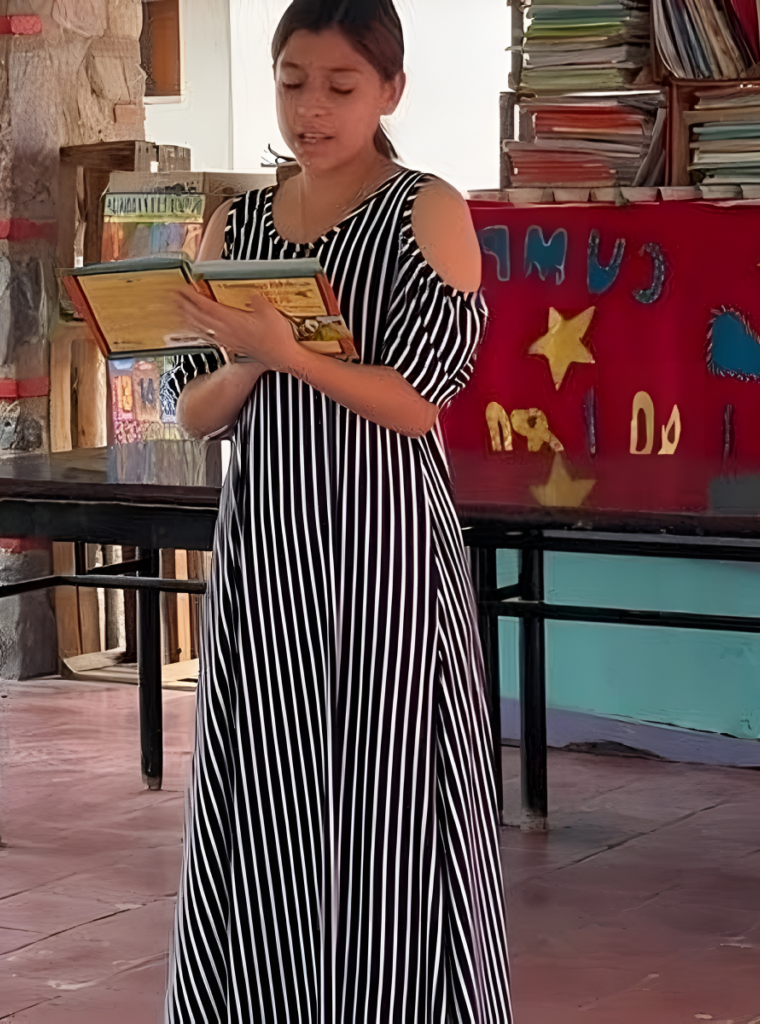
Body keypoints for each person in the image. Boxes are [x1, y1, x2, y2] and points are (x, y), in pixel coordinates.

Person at [166, 1, 511, 1020]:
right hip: (266, 545)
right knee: (265, 788)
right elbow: (192, 408)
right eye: (292, 82)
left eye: (340, 86)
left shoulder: (425, 210)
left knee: (400, 794)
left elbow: (417, 399)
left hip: (386, 549)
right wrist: (242, 359)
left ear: (390, 91)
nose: (311, 108)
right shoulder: (240, 222)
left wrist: (290, 354)